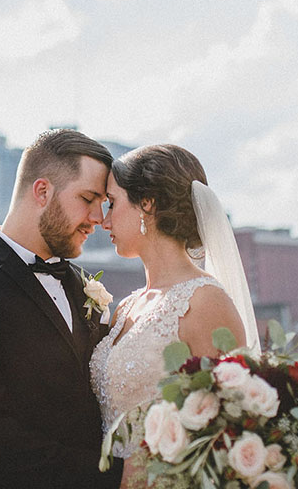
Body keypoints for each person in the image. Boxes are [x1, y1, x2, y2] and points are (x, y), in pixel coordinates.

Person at [0, 128, 123, 489]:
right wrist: (115, 477)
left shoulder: (83, 286)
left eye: (103, 204)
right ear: (42, 191)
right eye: (88, 198)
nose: (98, 217)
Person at [90, 144, 260, 489]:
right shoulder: (126, 307)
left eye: (112, 202)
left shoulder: (205, 302)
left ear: (147, 203)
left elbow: (230, 424)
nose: (103, 220)